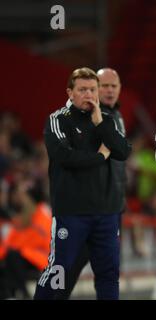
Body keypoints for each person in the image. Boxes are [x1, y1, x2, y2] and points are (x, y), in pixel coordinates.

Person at [33, 67, 131, 300]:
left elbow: (123, 151)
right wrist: (99, 156)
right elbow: (65, 157)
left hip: (106, 212)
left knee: (108, 274)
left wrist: (100, 122)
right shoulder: (58, 119)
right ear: (70, 92)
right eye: (82, 90)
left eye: (92, 90)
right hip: (72, 211)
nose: (89, 94)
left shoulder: (106, 120)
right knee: (60, 270)